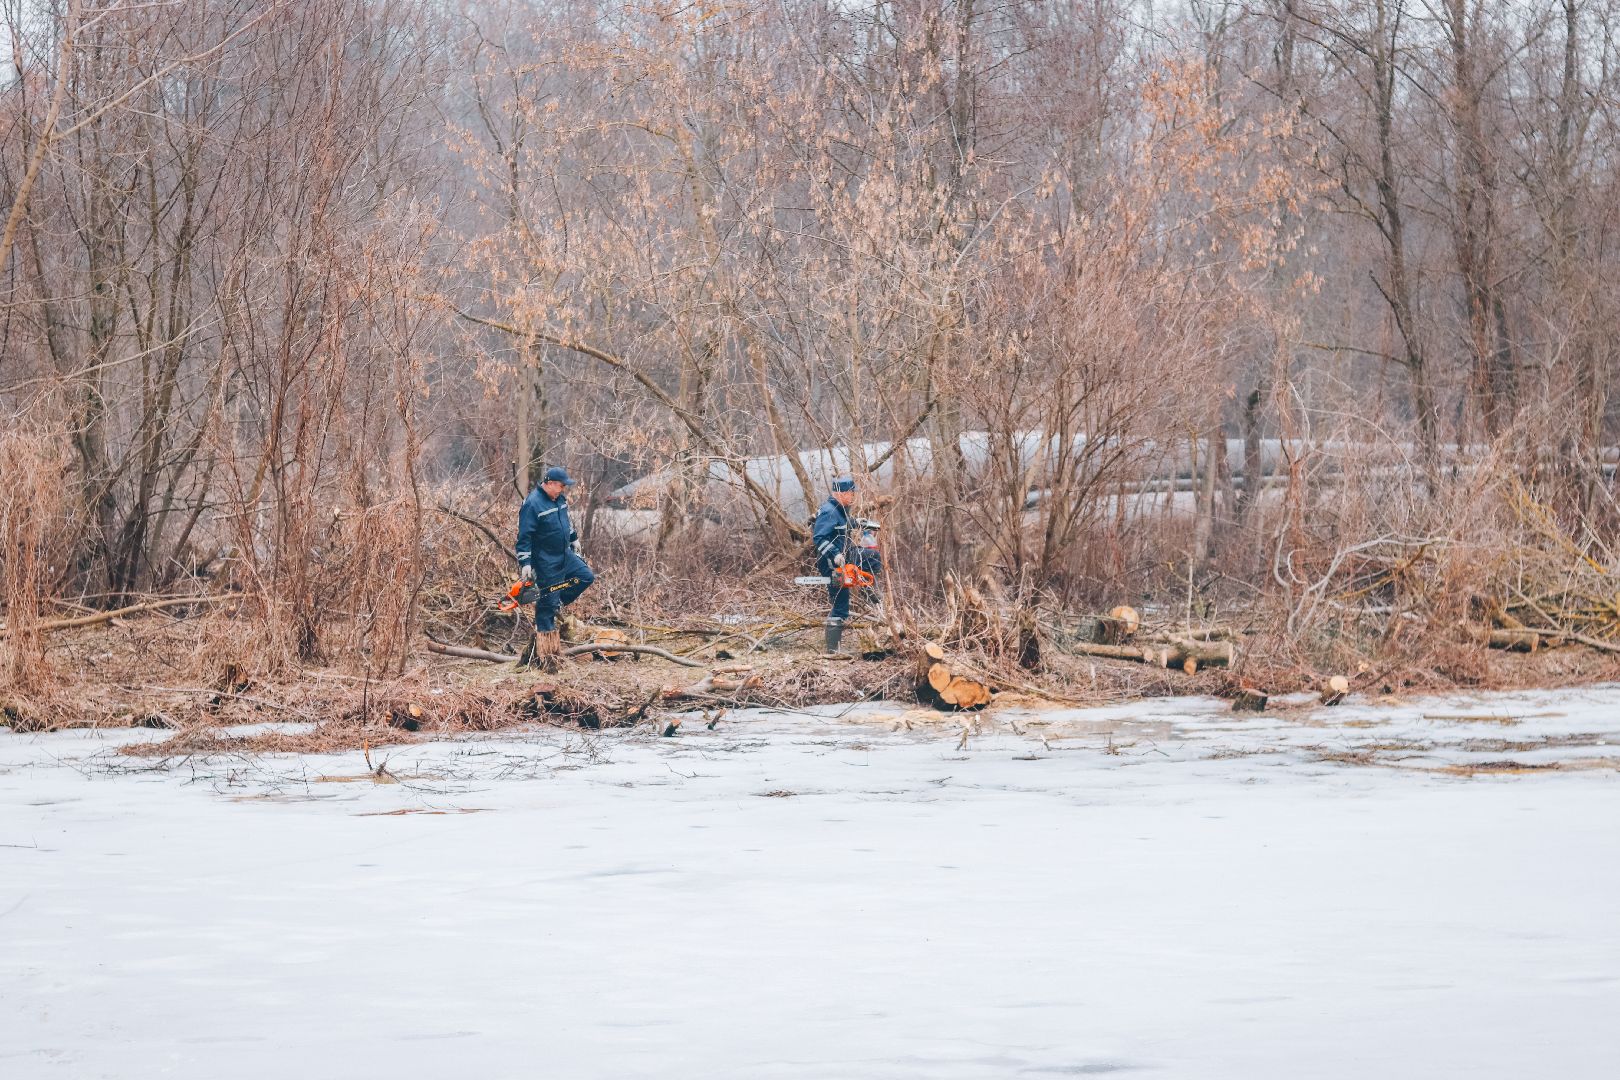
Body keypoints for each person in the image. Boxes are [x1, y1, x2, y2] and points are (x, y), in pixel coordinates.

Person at [516, 465, 595, 657]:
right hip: (546, 561)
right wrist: (525, 563)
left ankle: (558, 600)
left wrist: (573, 538)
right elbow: (524, 537)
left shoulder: (559, 499)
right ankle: (546, 655)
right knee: (546, 607)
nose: (563, 489)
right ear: (550, 484)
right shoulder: (532, 504)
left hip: (564, 554)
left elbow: (565, 522)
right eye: (561, 485)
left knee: (585, 576)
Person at [810, 475, 882, 654]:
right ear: (841, 493)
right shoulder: (828, 511)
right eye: (851, 493)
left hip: (846, 555)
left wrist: (859, 523)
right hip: (832, 564)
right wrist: (834, 555)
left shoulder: (839, 510)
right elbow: (819, 538)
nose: (853, 496)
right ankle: (832, 650)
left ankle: (868, 590)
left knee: (873, 557)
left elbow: (842, 525)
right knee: (840, 606)